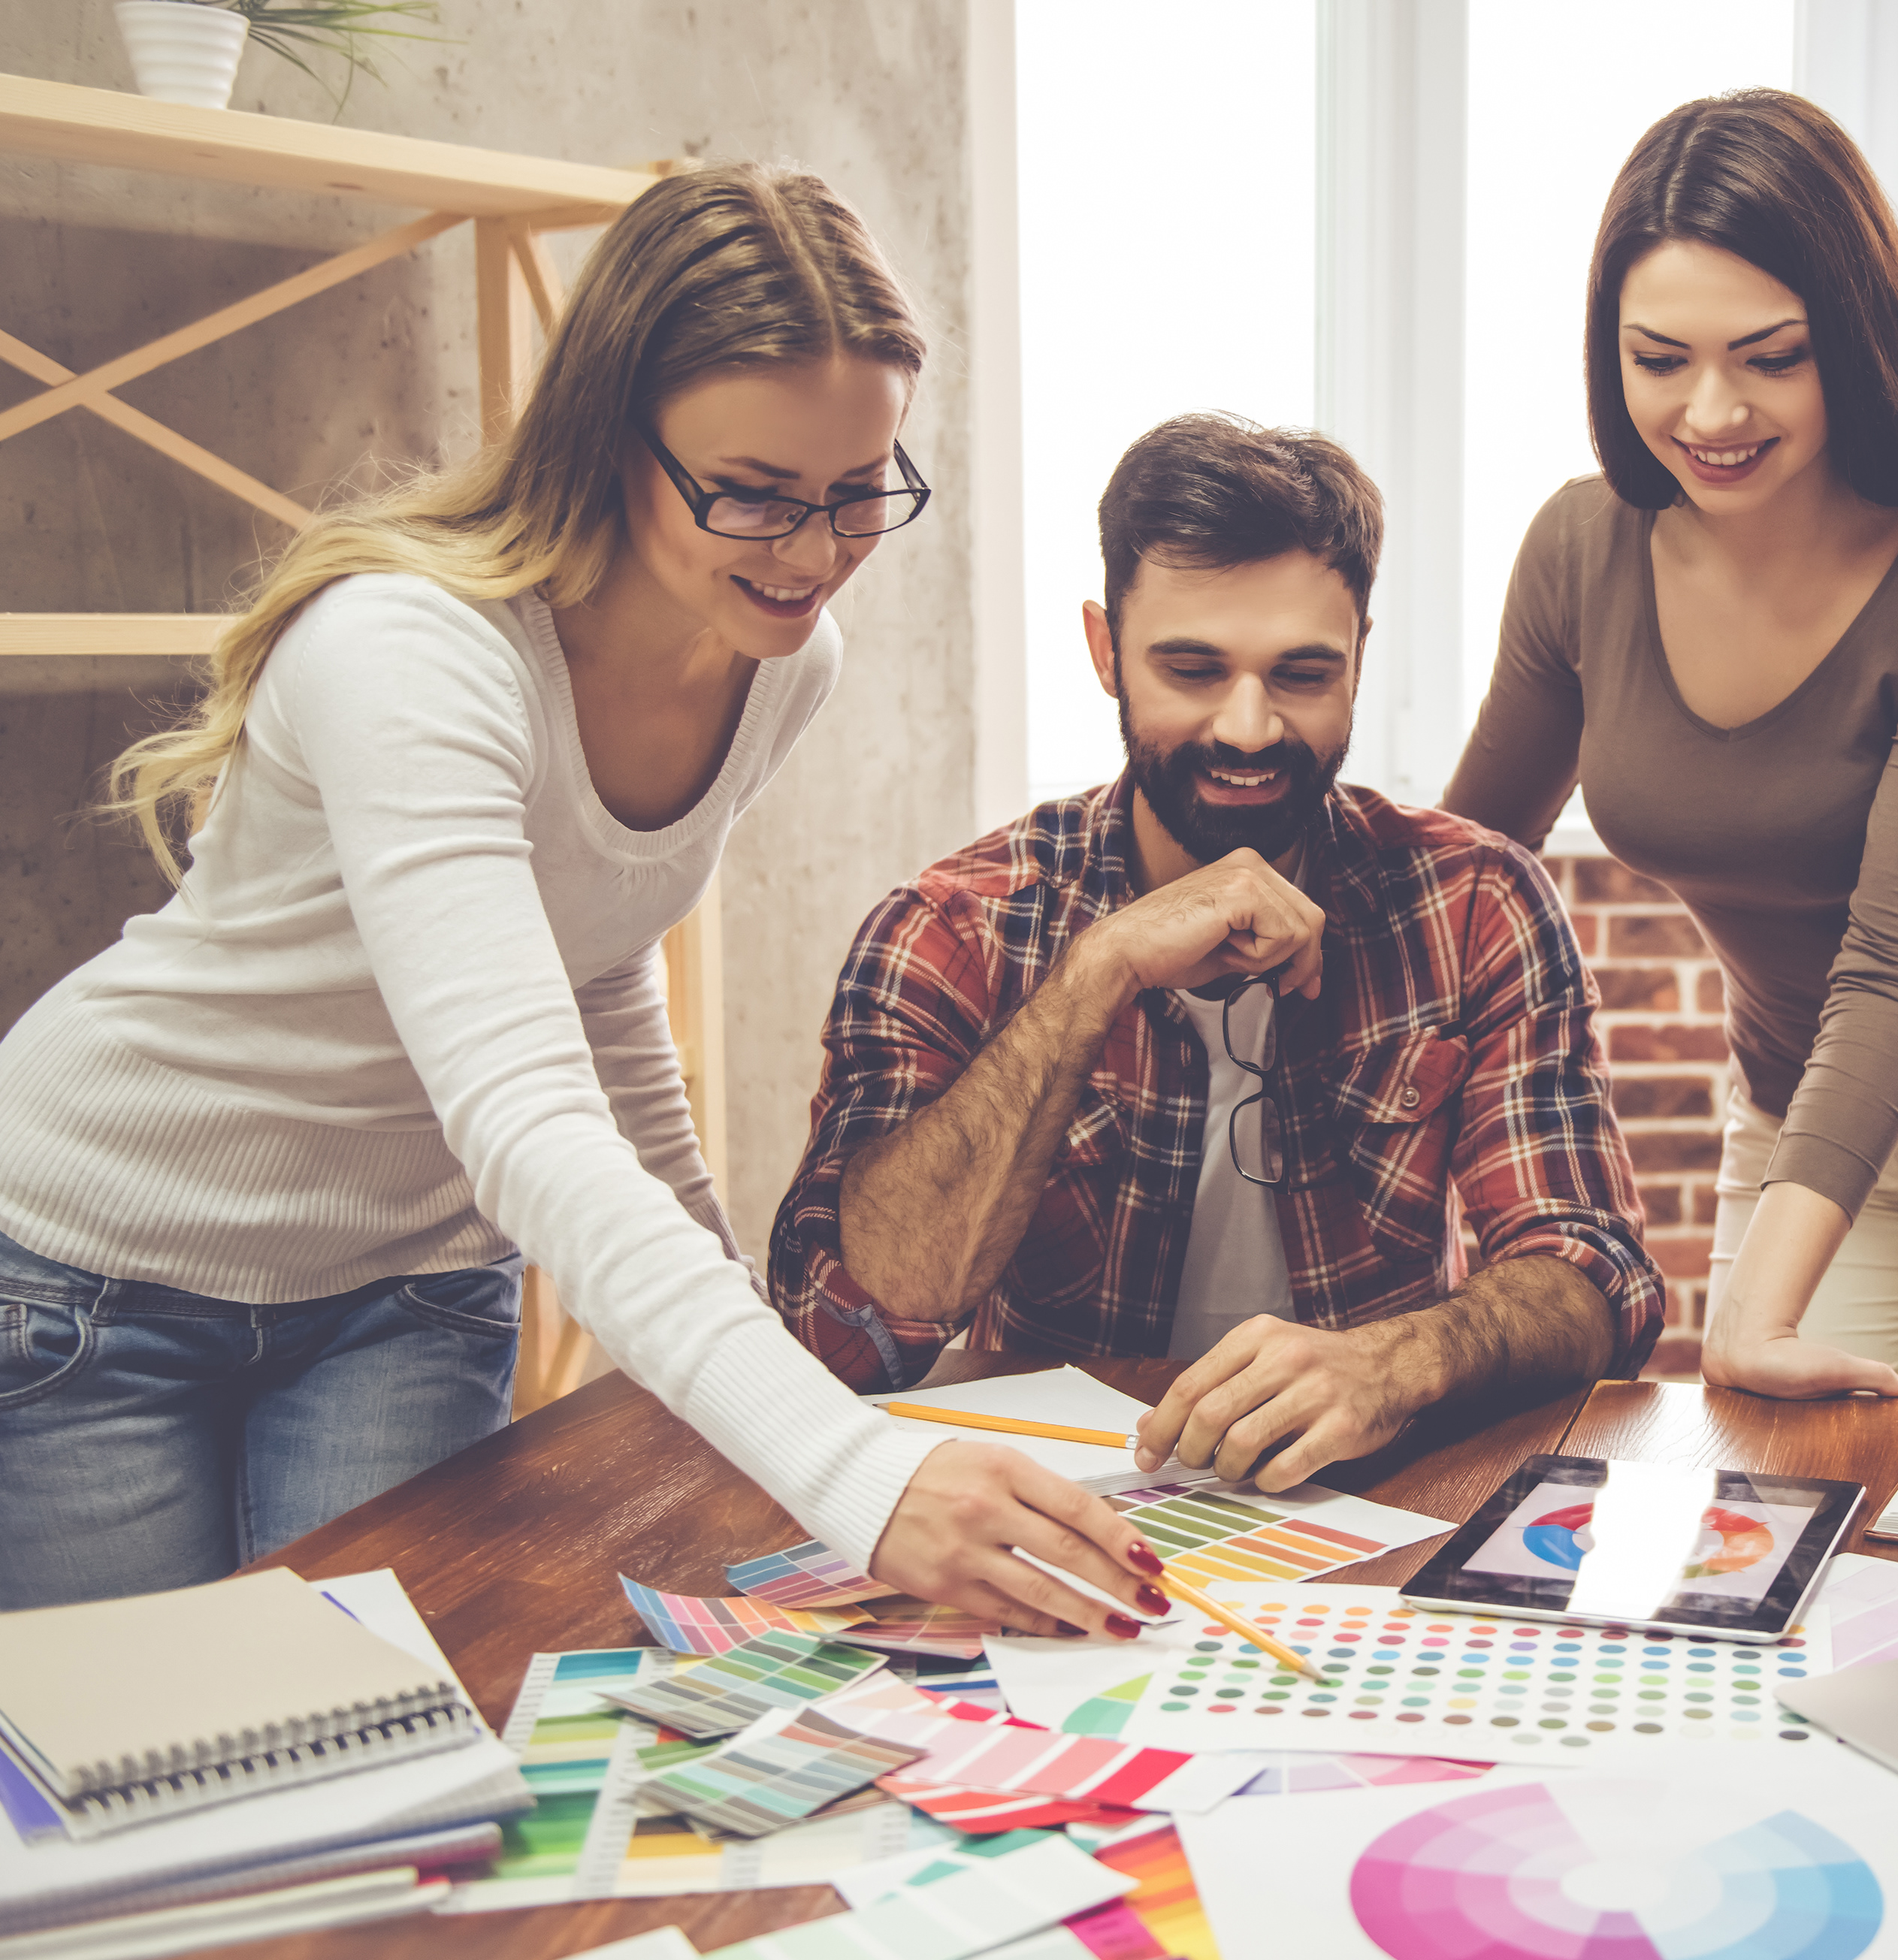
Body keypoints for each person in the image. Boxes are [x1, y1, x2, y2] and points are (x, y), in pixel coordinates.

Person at [0, 167, 1170, 1641]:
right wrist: (856, 1469)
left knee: (393, 1734)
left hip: (404, 1288)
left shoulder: (782, 661)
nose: (812, 556)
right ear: (614, 440)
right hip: (93, 1275)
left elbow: (599, 965)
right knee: (139, 1779)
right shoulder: (412, 652)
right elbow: (529, 1119)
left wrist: (752, 1361)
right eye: (751, 494)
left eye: (857, 493)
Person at [769, 413, 1661, 1489]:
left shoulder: (1474, 903)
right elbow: (838, 1333)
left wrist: (1398, 1360)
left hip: (1381, 1495)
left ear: (1360, 660)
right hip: (1056, 1508)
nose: (1247, 727)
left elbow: (1596, 1274)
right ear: (1105, 652)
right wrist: (1097, 975)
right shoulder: (952, 929)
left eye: (1300, 673)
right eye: (1192, 668)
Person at [1442, 90, 1898, 1408]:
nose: (1711, 409)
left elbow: (1897, 957)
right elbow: (1466, 876)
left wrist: (1747, 1319)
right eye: (1660, 359)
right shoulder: (1579, 549)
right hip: (1794, 1113)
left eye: (1770, 356)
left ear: (1853, 339)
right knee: (1782, 1509)